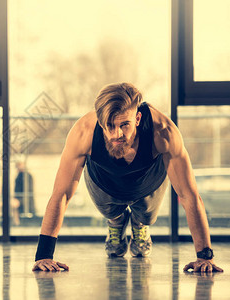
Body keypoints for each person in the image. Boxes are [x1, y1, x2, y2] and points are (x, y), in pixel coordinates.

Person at [32, 83, 224, 273]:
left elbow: (189, 194)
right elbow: (61, 194)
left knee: (147, 216)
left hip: (148, 183)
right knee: (110, 212)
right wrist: (44, 255)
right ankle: (116, 221)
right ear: (100, 122)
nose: (118, 134)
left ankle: (140, 224)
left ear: (138, 118)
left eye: (125, 125)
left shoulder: (163, 131)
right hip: (104, 183)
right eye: (110, 126)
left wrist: (204, 257)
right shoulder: (83, 132)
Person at [12, 160, 35, 225]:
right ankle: (15, 222)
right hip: (21, 198)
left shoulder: (26, 176)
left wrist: (17, 199)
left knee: (13, 203)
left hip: (25, 198)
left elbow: (27, 190)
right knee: (11, 203)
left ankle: (16, 222)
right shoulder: (19, 176)